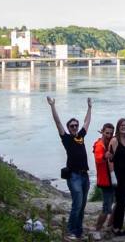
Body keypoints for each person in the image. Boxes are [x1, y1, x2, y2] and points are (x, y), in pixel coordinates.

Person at [47, 96, 93, 240]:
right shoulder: (66, 138)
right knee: (77, 204)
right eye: (71, 126)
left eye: (75, 125)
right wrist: (52, 105)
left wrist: (90, 107)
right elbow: (58, 122)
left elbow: (87, 122)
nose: (74, 127)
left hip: (85, 175)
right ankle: (71, 231)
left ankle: (78, 231)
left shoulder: (80, 136)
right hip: (74, 176)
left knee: (82, 205)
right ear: (68, 128)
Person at [108, 118, 125, 237]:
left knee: (123, 202)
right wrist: (113, 175)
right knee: (120, 202)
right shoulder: (115, 140)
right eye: (122, 125)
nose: (124, 127)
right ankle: (116, 228)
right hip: (118, 175)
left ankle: (117, 226)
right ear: (118, 127)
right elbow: (110, 159)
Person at [92, 123, 115, 241]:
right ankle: (97, 230)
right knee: (106, 208)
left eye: (111, 133)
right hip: (105, 181)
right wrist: (105, 156)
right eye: (107, 133)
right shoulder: (99, 145)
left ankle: (109, 226)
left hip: (114, 179)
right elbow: (98, 158)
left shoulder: (111, 143)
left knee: (119, 204)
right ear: (102, 132)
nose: (109, 135)